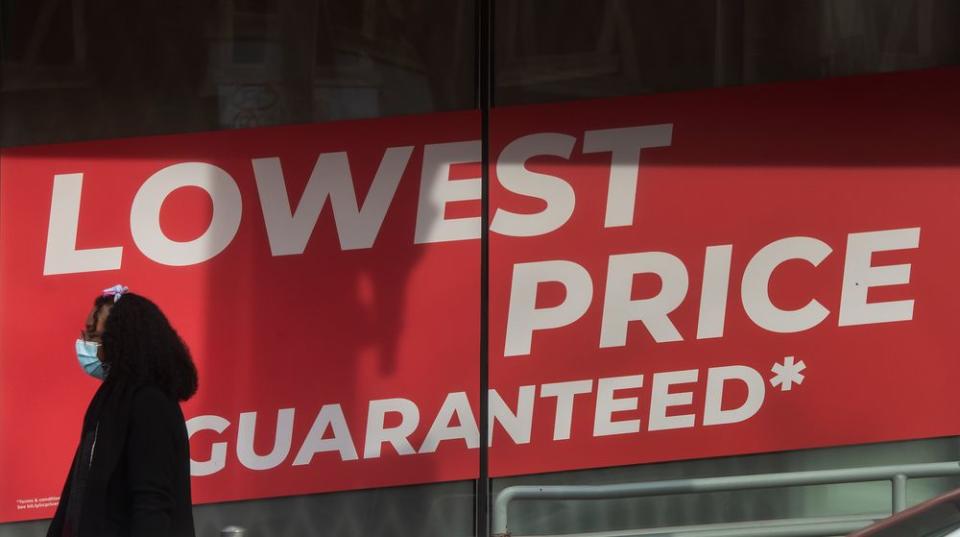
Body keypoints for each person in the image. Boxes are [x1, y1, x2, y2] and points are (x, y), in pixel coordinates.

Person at [47, 285, 198, 537]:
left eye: (96, 337)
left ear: (124, 342)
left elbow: (152, 501)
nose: (86, 345)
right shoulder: (112, 394)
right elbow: (78, 488)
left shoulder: (150, 404)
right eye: (87, 335)